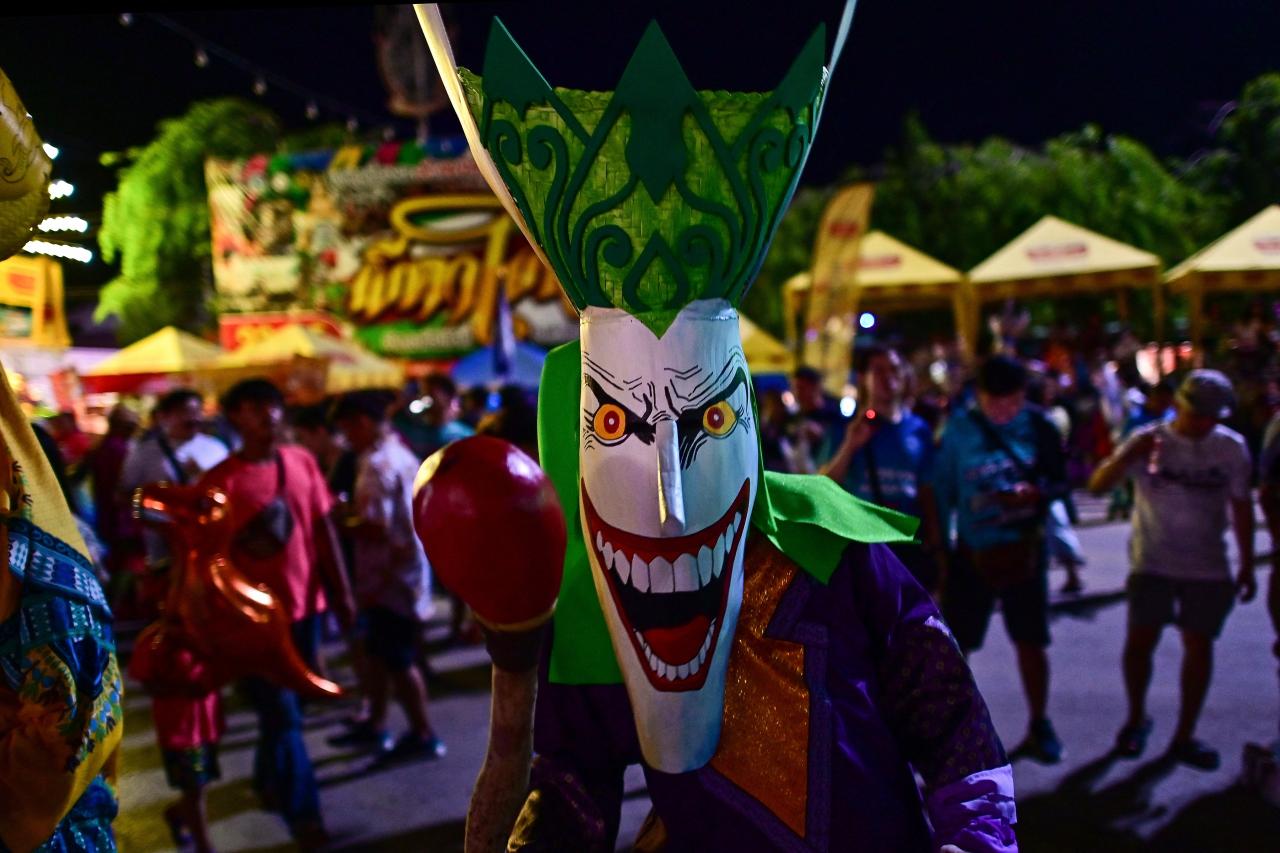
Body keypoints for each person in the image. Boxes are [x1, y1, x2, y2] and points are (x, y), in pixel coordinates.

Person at [422, 13, 1018, 849]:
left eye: (705, 417)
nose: (668, 491)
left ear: (745, 415)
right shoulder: (590, 612)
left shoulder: (835, 556)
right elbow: (568, 810)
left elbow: (957, 735)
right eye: (616, 422)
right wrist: (514, 669)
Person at [199, 378, 355, 846]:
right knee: (283, 716)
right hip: (255, 625)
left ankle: (268, 779)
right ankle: (304, 815)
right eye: (252, 407)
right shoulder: (218, 484)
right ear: (234, 417)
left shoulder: (302, 462)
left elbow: (324, 530)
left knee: (284, 716)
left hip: (307, 611)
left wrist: (343, 594)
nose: (265, 414)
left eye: (270, 405)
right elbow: (209, 564)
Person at [1089, 370, 1256, 770]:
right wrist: (1127, 457)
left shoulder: (1230, 449)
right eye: (1198, 414)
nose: (1204, 423)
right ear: (1179, 405)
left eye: (1212, 416)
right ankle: (1136, 718)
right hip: (1153, 561)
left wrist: (1247, 562)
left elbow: (1241, 506)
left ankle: (1185, 734)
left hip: (1208, 565)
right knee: (1140, 642)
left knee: (1199, 646)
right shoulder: (1150, 440)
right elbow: (1097, 485)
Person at [932, 354, 1069, 764]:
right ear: (979, 396)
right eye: (996, 403)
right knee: (959, 646)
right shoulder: (959, 432)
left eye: (1012, 403)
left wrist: (1037, 493)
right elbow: (941, 494)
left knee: (1031, 640)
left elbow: (1061, 479)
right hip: (973, 555)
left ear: (1023, 396)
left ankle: (1040, 724)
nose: (1004, 412)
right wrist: (941, 556)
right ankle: (953, 732)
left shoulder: (1041, 426)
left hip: (1024, 551)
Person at [329, 391, 445, 763]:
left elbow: (376, 528)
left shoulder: (378, 464)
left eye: (348, 428)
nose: (346, 438)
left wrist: (337, 522)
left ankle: (423, 733)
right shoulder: (400, 454)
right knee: (381, 654)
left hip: (389, 580)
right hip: (403, 573)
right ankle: (376, 723)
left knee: (398, 659)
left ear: (362, 422)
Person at [822, 346, 942, 589]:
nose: (889, 377)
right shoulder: (846, 428)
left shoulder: (919, 428)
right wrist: (850, 445)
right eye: (878, 371)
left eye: (895, 369)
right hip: (863, 545)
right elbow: (824, 485)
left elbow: (926, 487)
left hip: (907, 543)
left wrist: (936, 541)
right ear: (864, 379)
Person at [119, 390, 230, 572]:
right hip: (165, 545)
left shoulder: (216, 448)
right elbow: (124, 494)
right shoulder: (144, 453)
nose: (193, 418)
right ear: (165, 417)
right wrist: (164, 496)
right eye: (185, 412)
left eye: (197, 411)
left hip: (212, 542)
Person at [393, 374, 474, 460]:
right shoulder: (413, 430)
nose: (424, 397)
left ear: (448, 396)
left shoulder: (463, 435)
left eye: (430, 392)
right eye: (422, 392)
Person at [789, 365, 848, 471]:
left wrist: (822, 436)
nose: (797, 393)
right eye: (795, 388)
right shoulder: (795, 417)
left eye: (801, 388)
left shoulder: (834, 415)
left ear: (816, 387)